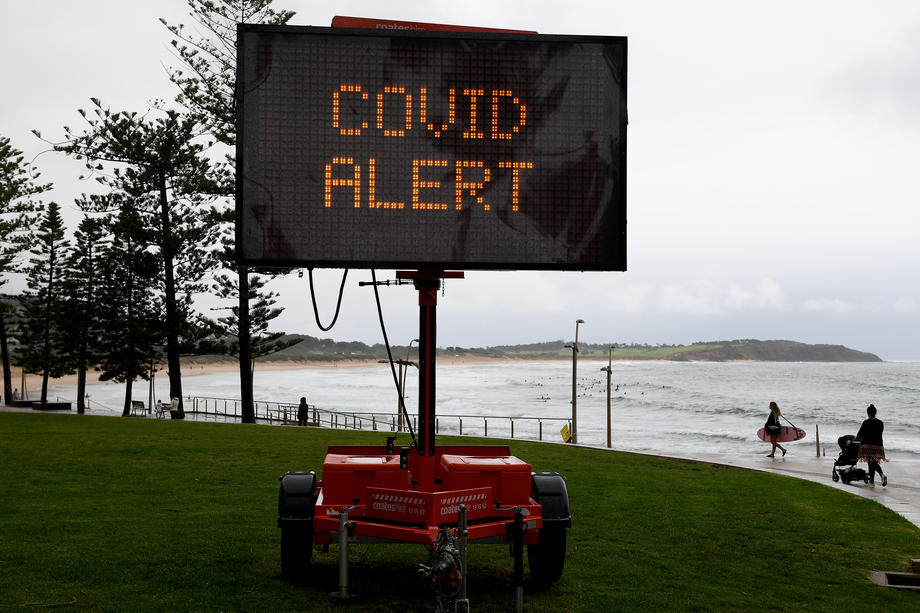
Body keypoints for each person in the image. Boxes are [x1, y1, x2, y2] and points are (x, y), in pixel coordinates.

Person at [855, 403, 888, 487]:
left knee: (871, 462)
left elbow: (859, 436)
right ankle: (872, 482)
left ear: (867, 413)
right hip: (879, 446)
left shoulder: (866, 422)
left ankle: (880, 476)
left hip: (868, 446)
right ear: (875, 412)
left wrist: (855, 439)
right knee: (872, 462)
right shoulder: (880, 423)